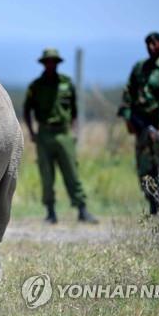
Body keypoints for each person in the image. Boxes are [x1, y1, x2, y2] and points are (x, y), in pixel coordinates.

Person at [23, 48, 98, 224]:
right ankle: (50, 213)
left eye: (54, 61)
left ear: (57, 63)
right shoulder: (35, 86)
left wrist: (74, 131)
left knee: (72, 173)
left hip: (64, 133)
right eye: (48, 61)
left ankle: (82, 210)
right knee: (46, 176)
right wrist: (32, 132)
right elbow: (27, 111)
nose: (51, 64)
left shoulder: (67, 83)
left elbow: (74, 110)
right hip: (44, 134)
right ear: (43, 63)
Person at [117, 32, 159, 215]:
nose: (151, 47)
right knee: (144, 171)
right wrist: (128, 118)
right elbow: (127, 94)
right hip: (142, 128)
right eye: (148, 44)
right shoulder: (139, 68)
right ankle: (153, 208)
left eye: (154, 43)